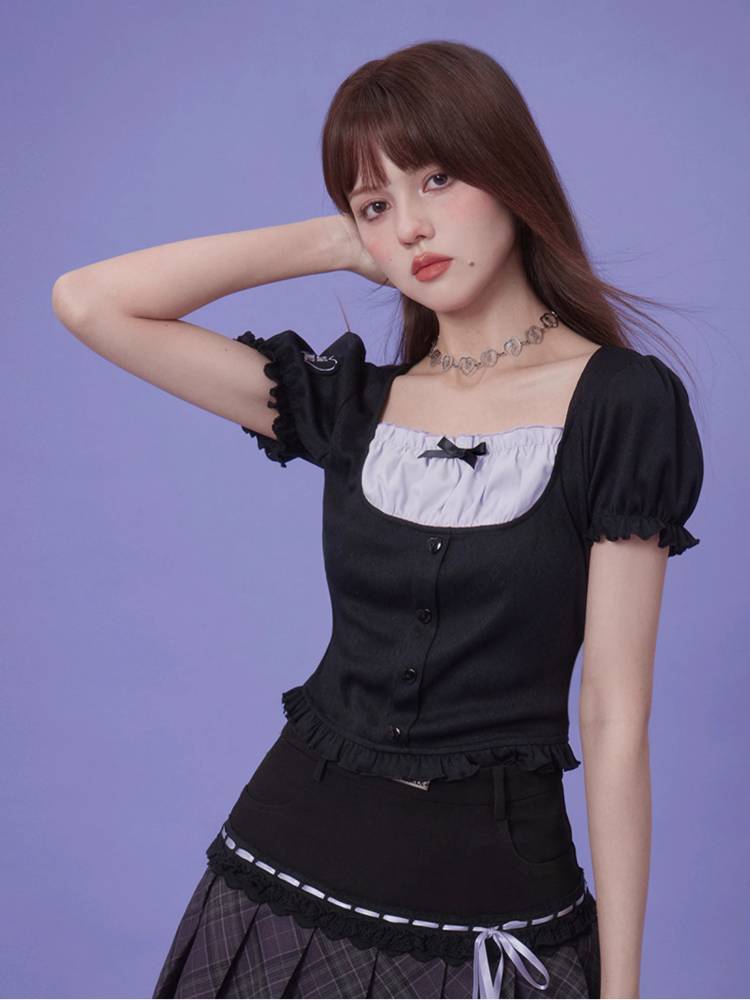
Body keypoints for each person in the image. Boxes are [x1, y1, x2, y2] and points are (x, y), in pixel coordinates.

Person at [51, 40, 704, 1000]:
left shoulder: (622, 403)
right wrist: (336, 241)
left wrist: (624, 987)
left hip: (492, 906)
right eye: (376, 203)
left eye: (437, 178)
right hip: (282, 873)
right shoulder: (353, 402)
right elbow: (89, 302)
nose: (413, 225)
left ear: (509, 169)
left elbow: (614, 714)